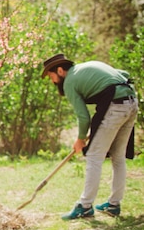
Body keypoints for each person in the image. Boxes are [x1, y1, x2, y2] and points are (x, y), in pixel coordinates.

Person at [41, 53, 138, 220]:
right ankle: (114, 204)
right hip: (132, 102)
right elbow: (124, 75)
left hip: (115, 105)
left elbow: (83, 117)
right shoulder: (84, 68)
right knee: (118, 157)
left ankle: (85, 206)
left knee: (94, 156)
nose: (53, 82)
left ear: (60, 71)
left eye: (52, 77)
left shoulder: (70, 82)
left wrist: (80, 139)